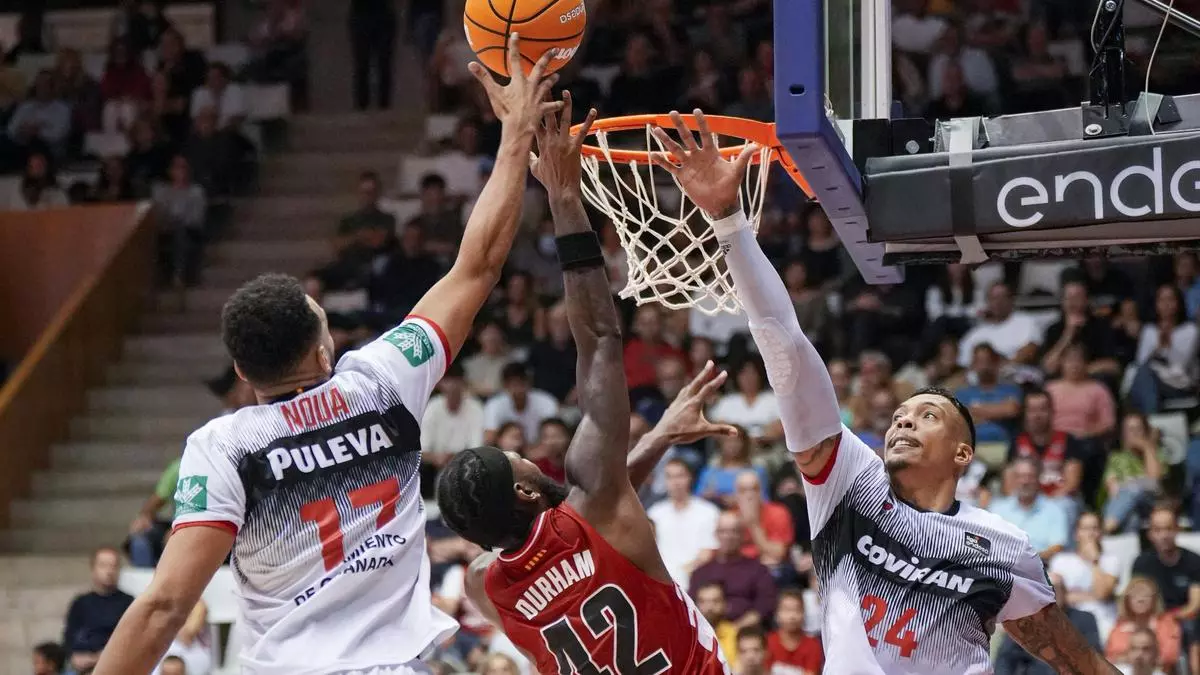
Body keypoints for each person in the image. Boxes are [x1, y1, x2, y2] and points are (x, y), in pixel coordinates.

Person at [92, 37, 563, 675]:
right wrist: (513, 137)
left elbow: (163, 606)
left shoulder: (222, 446)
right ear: (323, 349)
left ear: (242, 372)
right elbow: (476, 267)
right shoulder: (384, 378)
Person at [650, 109, 1118, 674]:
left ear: (963, 454)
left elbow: (1074, 658)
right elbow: (784, 343)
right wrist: (728, 221)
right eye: (900, 415)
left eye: (927, 415)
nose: (903, 421)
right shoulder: (850, 483)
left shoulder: (1002, 544)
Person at [435, 88, 735, 674]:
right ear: (525, 493)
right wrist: (564, 196)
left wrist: (660, 437)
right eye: (517, 460)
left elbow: (599, 506)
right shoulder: (592, 499)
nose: (527, 456)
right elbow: (599, 338)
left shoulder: (483, 584)